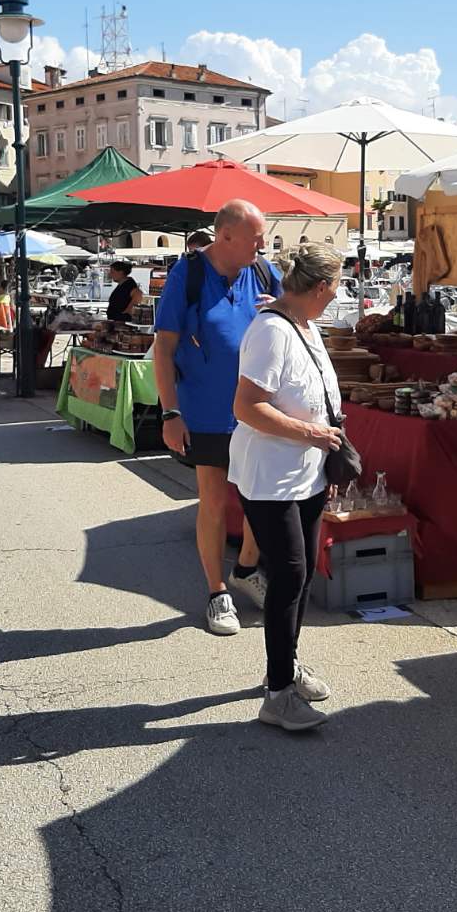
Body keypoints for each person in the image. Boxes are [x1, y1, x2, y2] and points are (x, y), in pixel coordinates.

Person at [230, 243, 345, 732]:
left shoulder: (304, 325)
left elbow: (312, 396)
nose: (339, 292)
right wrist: (312, 434)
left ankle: (288, 666)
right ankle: (278, 693)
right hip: (271, 477)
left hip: (307, 473)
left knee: (299, 577)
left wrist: (328, 455)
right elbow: (247, 406)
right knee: (290, 577)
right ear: (320, 287)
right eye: (337, 284)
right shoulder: (272, 332)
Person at [154, 199, 279, 636]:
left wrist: (283, 313)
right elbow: (164, 348)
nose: (263, 244)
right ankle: (216, 591)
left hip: (260, 409)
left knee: (260, 499)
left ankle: (246, 566)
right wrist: (170, 412)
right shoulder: (187, 275)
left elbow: (298, 322)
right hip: (206, 411)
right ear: (226, 236)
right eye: (256, 237)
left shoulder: (263, 272)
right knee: (212, 500)